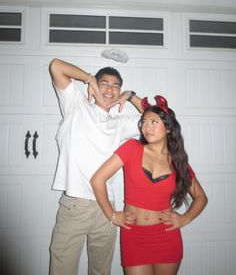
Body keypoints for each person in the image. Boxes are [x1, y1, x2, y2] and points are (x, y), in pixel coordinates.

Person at [90, 95, 208, 275]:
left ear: (168, 127)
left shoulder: (177, 161)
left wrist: (184, 218)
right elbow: (97, 179)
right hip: (134, 236)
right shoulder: (131, 148)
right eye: (144, 122)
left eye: (154, 122)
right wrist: (112, 215)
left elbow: (201, 198)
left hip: (166, 237)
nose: (147, 127)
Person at [48, 58, 143, 275]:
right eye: (104, 83)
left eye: (115, 85)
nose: (110, 89)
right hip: (75, 206)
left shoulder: (120, 123)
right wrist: (88, 78)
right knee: (61, 269)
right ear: (95, 86)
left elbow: (159, 118)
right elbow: (56, 66)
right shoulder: (77, 106)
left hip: (106, 208)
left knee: (101, 271)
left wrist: (130, 95)